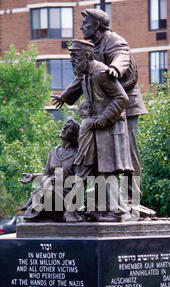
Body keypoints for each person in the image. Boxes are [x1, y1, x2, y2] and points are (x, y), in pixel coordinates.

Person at [51, 9, 154, 219]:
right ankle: (102, 201)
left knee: (128, 156)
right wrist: (65, 96)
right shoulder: (90, 49)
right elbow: (83, 75)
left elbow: (122, 57)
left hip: (125, 106)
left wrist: (115, 68)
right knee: (103, 159)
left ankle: (131, 201)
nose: (81, 28)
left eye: (85, 24)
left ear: (97, 25)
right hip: (102, 110)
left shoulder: (113, 40)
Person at [56, 39, 133, 222]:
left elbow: (121, 98)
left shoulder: (100, 72)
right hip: (95, 129)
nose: (72, 61)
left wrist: (103, 118)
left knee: (108, 171)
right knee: (97, 171)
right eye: (71, 57)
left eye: (75, 57)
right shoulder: (84, 74)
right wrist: (64, 97)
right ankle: (105, 210)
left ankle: (116, 212)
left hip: (109, 128)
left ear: (88, 56)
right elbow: (76, 87)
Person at [19, 119, 82, 223]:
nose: (64, 128)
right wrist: (33, 176)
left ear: (74, 135)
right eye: (64, 126)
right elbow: (46, 174)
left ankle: (39, 209)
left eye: (69, 127)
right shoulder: (53, 151)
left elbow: (79, 181)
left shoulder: (77, 154)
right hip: (50, 187)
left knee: (47, 190)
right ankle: (43, 214)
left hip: (66, 193)